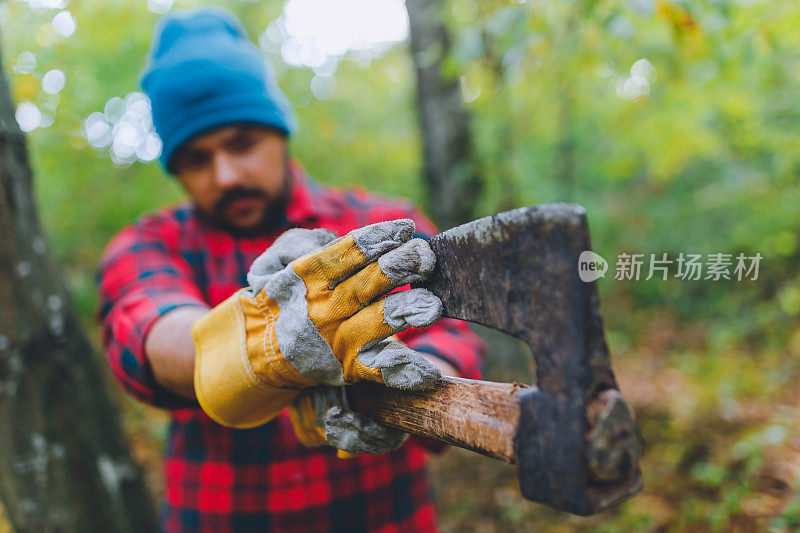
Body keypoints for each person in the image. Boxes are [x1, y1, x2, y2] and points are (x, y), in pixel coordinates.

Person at [97, 7, 486, 533]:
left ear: (280, 132)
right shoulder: (150, 243)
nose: (227, 175)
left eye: (242, 143)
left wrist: (399, 383)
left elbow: (453, 332)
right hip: (223, 517)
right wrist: (268, 347)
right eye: (196, 159)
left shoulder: (378, 225)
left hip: (381, 515)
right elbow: (145, 330)